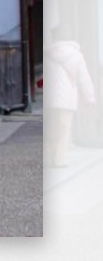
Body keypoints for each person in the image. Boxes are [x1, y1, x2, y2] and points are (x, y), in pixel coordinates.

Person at [46, 34, 96, 167]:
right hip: (67, 99)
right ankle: (58, 160)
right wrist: (89, 98)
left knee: (51, 128)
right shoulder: (76, 55)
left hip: (50, 99)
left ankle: (49, 157)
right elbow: (83, 78)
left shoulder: (48, 54)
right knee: (64, 130)